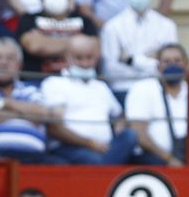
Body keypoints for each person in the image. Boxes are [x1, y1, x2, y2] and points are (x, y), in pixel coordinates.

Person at [42, 33, 136, 163]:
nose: (85, 63)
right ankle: (106, 172)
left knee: (130, 136)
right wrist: (90, 144)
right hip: (70, 147)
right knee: (94, 160)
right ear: (67, 58)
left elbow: (119, 114)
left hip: (105, 147)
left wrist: (120, 123)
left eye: (89, 58)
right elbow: (54, 127)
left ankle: (105, 170)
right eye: (79, 58)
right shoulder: (54, 83)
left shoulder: (101, 86)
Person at [97, 0, 173, 93]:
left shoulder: (167, 26)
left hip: (156, 90)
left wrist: (130, 60)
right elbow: (111, 70)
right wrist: (150, 62)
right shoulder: (112, 26)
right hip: (123, 89)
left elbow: (169, 67)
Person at [20, 0, 94, 73]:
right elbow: (34, 46)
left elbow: (93, 50)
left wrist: (45, 41)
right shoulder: (28, 19)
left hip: (77, 81)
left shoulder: (84, 20)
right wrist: (78, 43)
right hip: (39, 81)